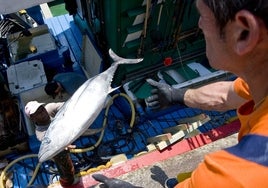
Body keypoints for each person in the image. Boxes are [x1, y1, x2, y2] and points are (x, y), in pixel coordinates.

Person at [93, 0, 268, 187]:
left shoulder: (233, 175)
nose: (199, 23)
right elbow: (227, 95)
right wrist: (177, 95)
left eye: (204, 15)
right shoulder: (260, 82)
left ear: (244, 33)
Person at [25, 101, 79, 187]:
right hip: (60, 147)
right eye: (38, 113)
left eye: (42, 109)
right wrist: (64, 146)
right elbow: (55, 145)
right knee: (60, 154)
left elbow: (71, 104)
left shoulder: (50, 108)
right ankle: (67, 180)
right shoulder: (41, 133)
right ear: (33, 118)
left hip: (71, 131)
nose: (43, 113)